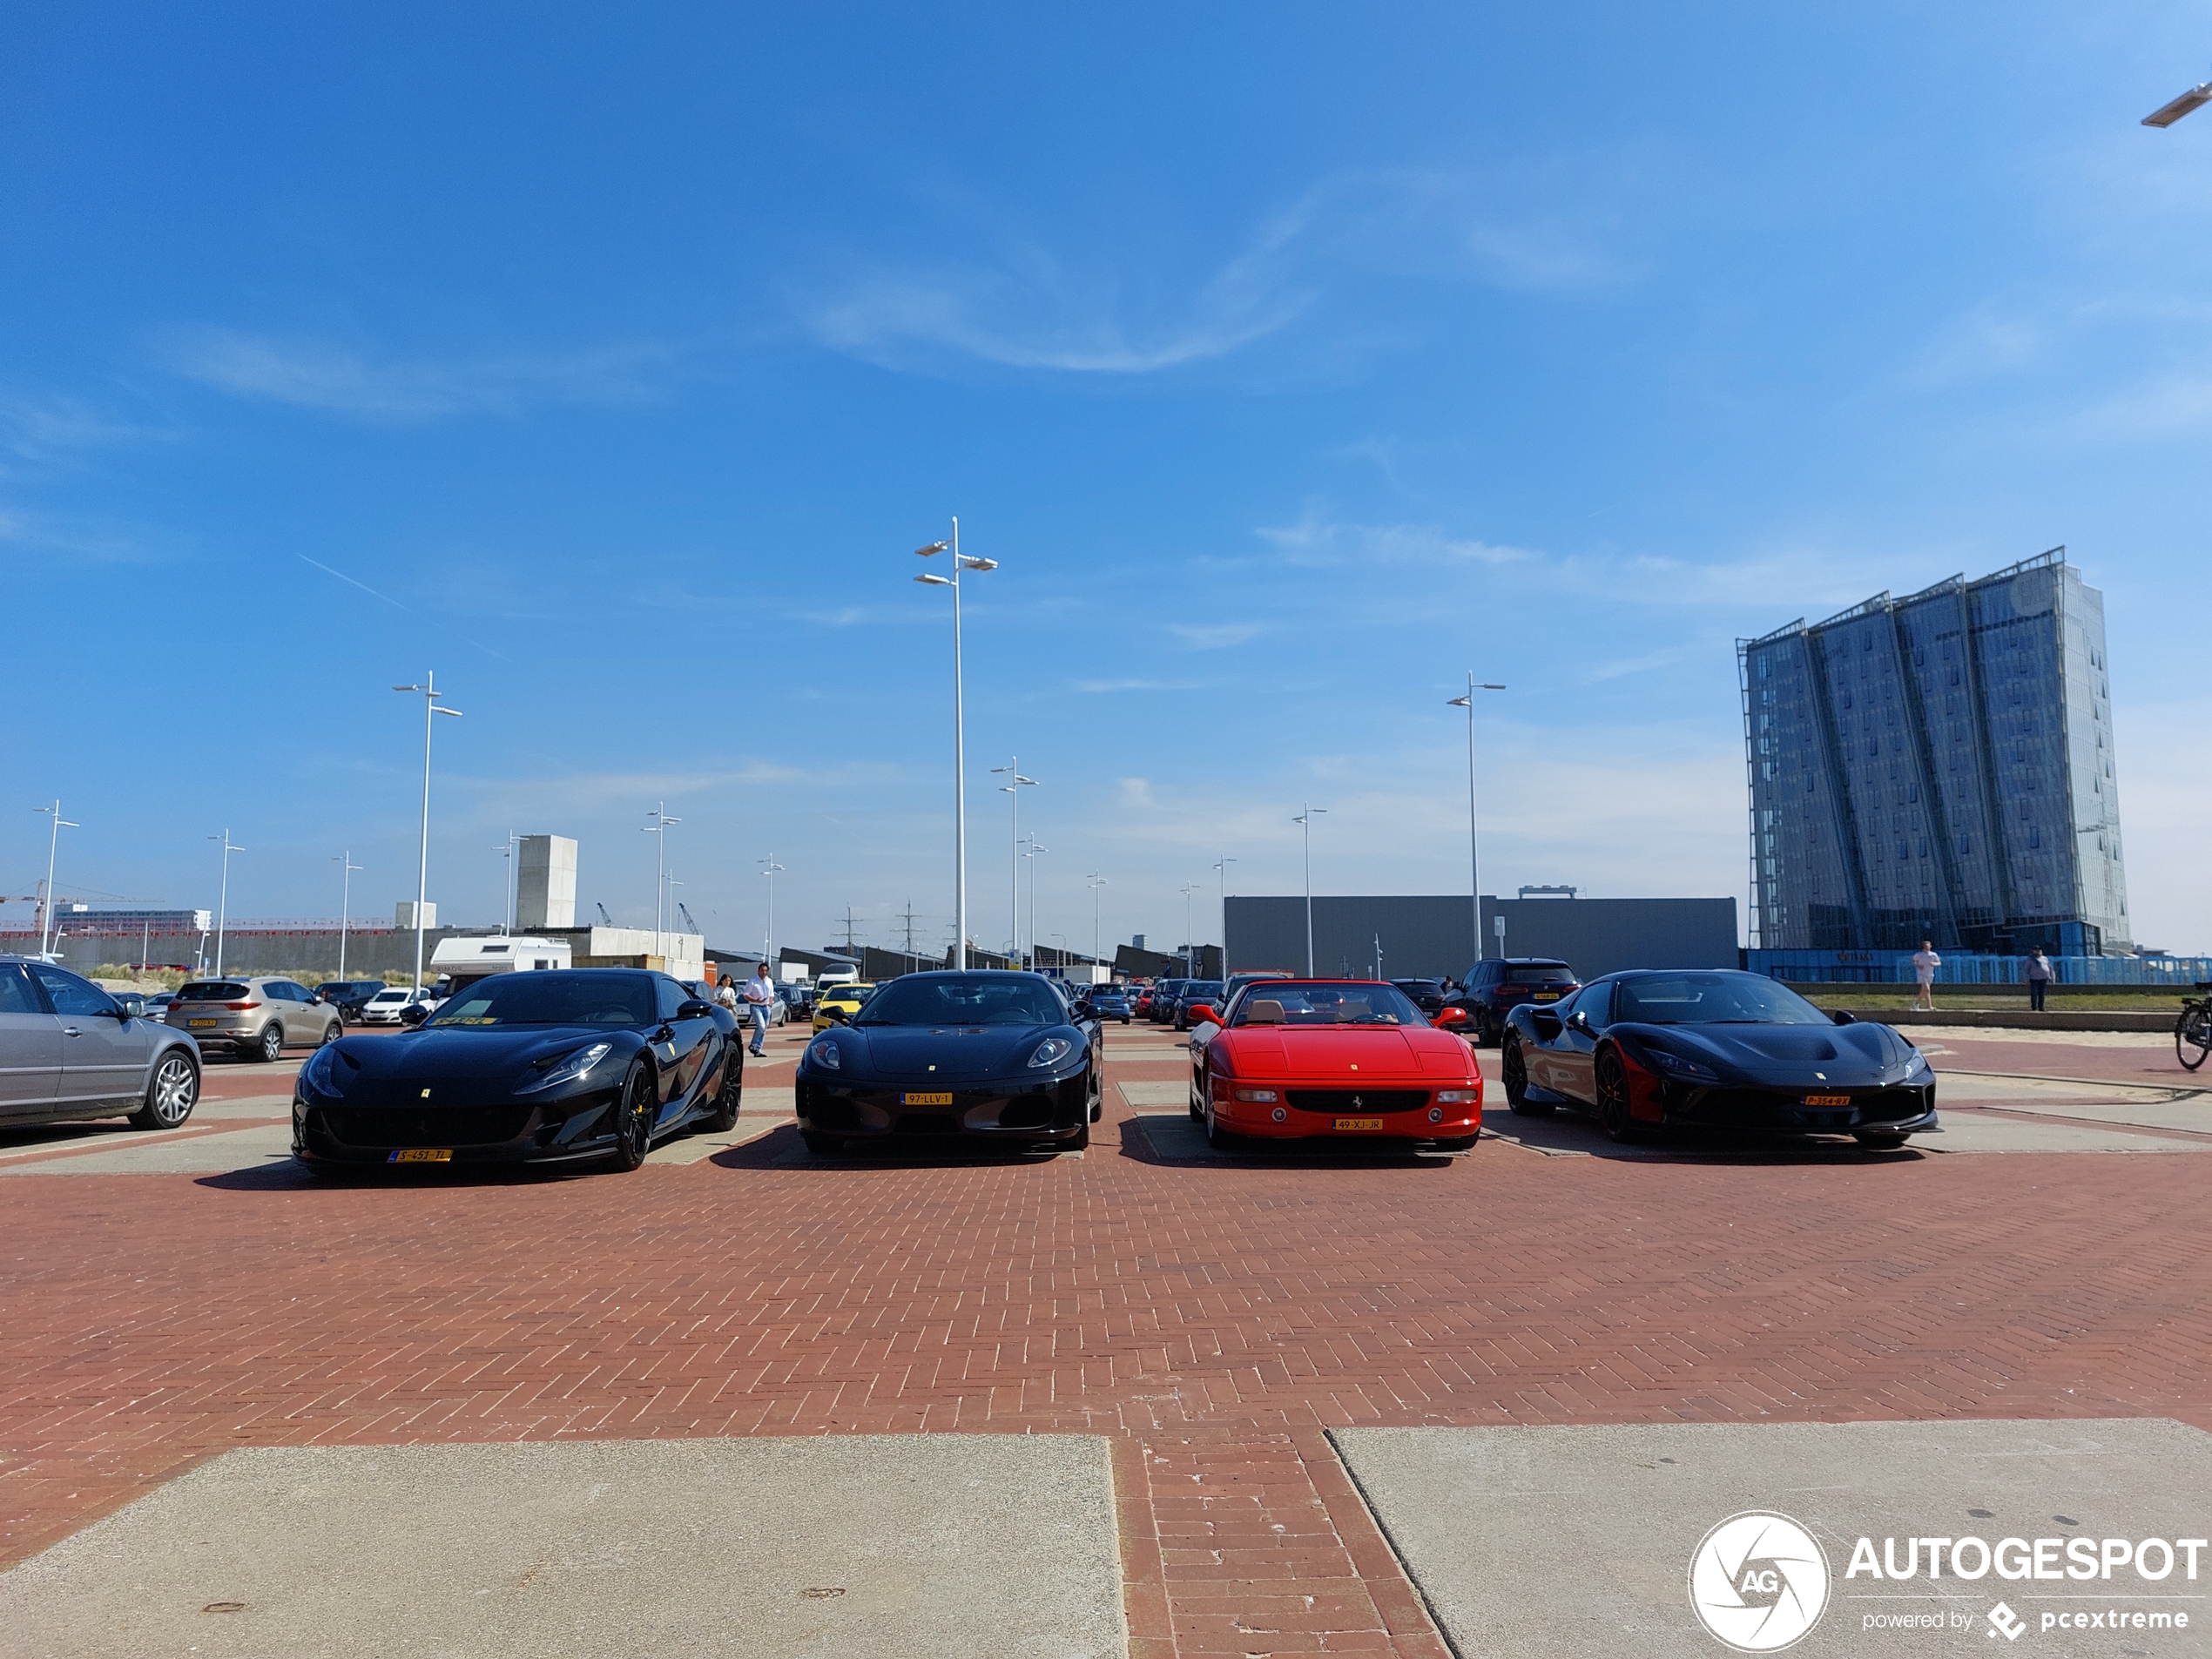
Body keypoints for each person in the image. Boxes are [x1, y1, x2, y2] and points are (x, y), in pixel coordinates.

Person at [741, 962, 775, 1056]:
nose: (764, 972)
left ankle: (758, 1049)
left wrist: (770, 1002)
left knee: (764, 1029)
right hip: (756, 1006)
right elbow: (746, 995)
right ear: (758, 970)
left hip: (766, 1007)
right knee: (761, 1026)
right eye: (762, 970)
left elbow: (771, 994)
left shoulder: (769, 981)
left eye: (765, 971)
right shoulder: (752, 981)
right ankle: (753, 1044)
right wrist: (755, 1000)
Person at [1911, 940, 1941, 1010]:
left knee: (1924, 991)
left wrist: (1934, 964)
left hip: (1930, 974)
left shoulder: (1933, 954)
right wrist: (1918, 966)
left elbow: (1939, 962)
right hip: (1922, 974)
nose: (1927, 947)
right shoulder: (1919, 955)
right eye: (1925, 946)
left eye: (1928, 946)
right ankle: (1930, 1006)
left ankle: (1916, 1002)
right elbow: (1913, 961)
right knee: (1927, 989)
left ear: (1930, 946)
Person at [2025, 947, 2054, 1013]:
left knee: (2042, 994)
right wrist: (2027, 979)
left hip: (2044, 979)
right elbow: (2026, 970)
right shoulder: (2030, 959)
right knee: (2034, 993)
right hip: (2034, 979)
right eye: (2036, 950)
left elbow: (2050, 969)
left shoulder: (2045, 959)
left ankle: (2041, 1007)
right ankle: (2034, 1007)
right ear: (2033, 951)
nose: (2038, 951)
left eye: (2039, 950)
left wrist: (2052, 978)